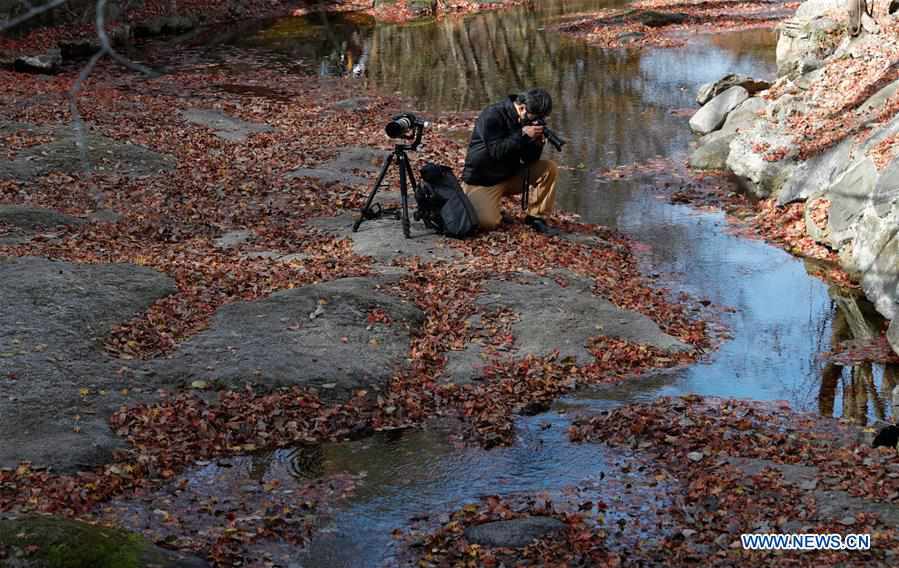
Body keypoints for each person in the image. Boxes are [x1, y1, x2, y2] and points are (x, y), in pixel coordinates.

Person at [461, 88, 559, 234]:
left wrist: (537, 143)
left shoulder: (527, 119)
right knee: (487, 223)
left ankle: (536, 217)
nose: (537, 121)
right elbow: (496, 151)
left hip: (510, 175)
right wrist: (523, 135)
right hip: (483, 180)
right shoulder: (492, 115)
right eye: (535, 117)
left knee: (549, 168)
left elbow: (528, 160)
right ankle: (488, 205)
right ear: (522, 107)